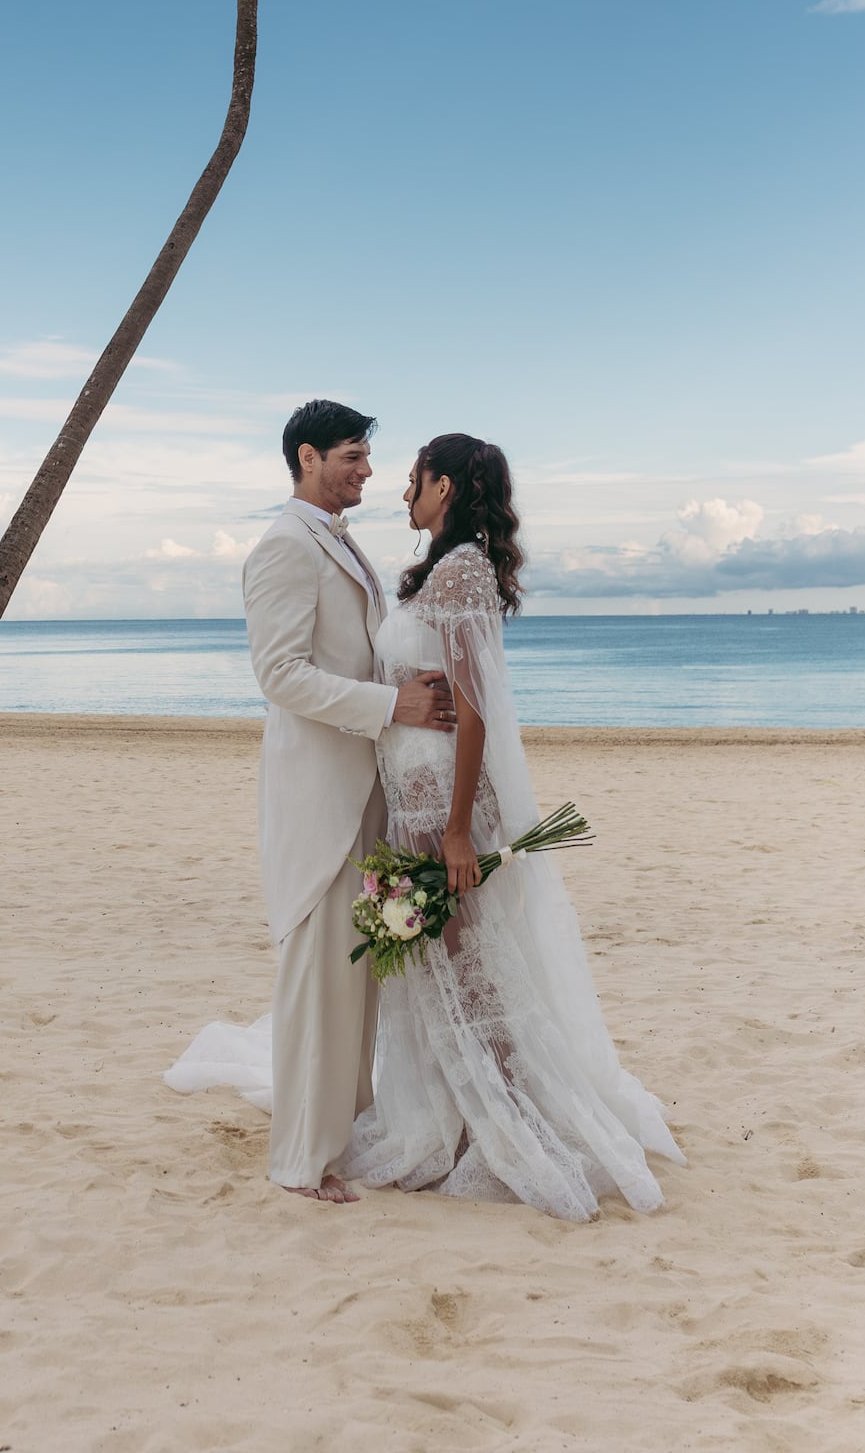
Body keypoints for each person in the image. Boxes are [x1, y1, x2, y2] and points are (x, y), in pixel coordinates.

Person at [336, 433, 684, 1217]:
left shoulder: (460, 571)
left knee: (468, 966)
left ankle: (507, 1120)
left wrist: (457, 831)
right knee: (450, 963)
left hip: (441, 802)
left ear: (447, 487)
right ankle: (470, 1111)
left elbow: (478, 712)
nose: (403, 495)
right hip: (412, 792)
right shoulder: (445, 569)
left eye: (413, 481)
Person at [166, 401, 455, 1203]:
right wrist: (389, 707)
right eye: (353, 456)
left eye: (368, 459)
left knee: (355, 973)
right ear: (307, 457)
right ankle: (299, 1160)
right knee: (317, 978)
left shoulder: (340, 542)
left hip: (363, 786)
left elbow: (350, 655)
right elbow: (280, 675)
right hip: (317, 793)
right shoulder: (285, 546)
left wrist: (400, 690)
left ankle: (341, 1131)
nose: (366, 471)